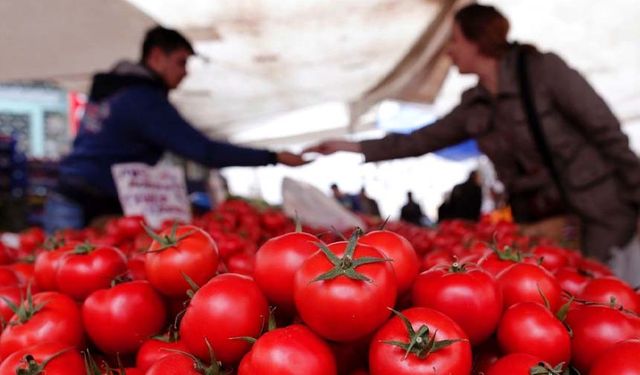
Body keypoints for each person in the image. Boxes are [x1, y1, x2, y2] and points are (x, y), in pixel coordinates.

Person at [305, 4, 640, 268]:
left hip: (597, 213)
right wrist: (348, 147)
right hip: (543, 224)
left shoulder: (542, 71)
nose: (449, 51)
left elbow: (607, 132)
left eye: (454, 40)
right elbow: (419, 140)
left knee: (604, 292)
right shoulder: (474, 104)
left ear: (478, 40)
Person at [45, 26, 306, 232]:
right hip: (84, 202)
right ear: (157, 57)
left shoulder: (115, 88)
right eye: (181, 62)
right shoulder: (143, 100)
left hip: (76, 195)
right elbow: (204, 150)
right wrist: (273, 157)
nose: (186, 73)